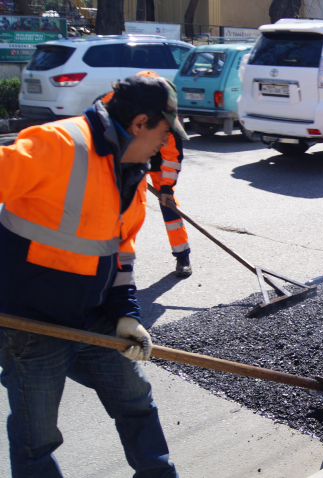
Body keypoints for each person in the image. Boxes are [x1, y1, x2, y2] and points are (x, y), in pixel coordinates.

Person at [0, 75, 188, 477]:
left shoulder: (130, 173)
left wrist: (127, 314)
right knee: (37, 438)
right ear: (139, 123)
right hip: (31, 325)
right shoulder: (60, 144)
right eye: (162, 133)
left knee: (136, 403)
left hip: (94, 317)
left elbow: (120, 252)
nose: (164, 144)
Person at [100, 70, 193, 278]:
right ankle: (119, 267)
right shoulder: (113, 106)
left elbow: (171, 155)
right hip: (127, 158)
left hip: (157, 163)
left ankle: (182, 255)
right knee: (126, 210)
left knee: (169, 206)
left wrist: (166, 187)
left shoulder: (163, 115)